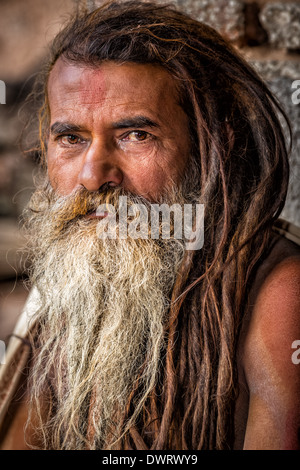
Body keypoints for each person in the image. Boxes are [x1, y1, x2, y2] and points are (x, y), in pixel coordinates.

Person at [0, 0, 299, 450]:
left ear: (211, 144)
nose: (93, 174)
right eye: (71, 139)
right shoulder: (68, 282)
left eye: (135, 135)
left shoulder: (280, 292)